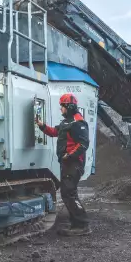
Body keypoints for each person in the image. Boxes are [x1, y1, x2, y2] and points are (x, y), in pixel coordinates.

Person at [35, 93, 91, 236]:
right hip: (67, 163)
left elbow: (83, 144)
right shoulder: (67, 122)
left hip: (74, 163)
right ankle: (76, 223)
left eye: (62, 106)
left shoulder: (78, 122)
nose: (61, 109)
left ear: (69, 106)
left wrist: (69, 155)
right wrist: (42, 126)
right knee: (68, 193)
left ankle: (82, 224)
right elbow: (54, 132)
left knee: (68, 193)